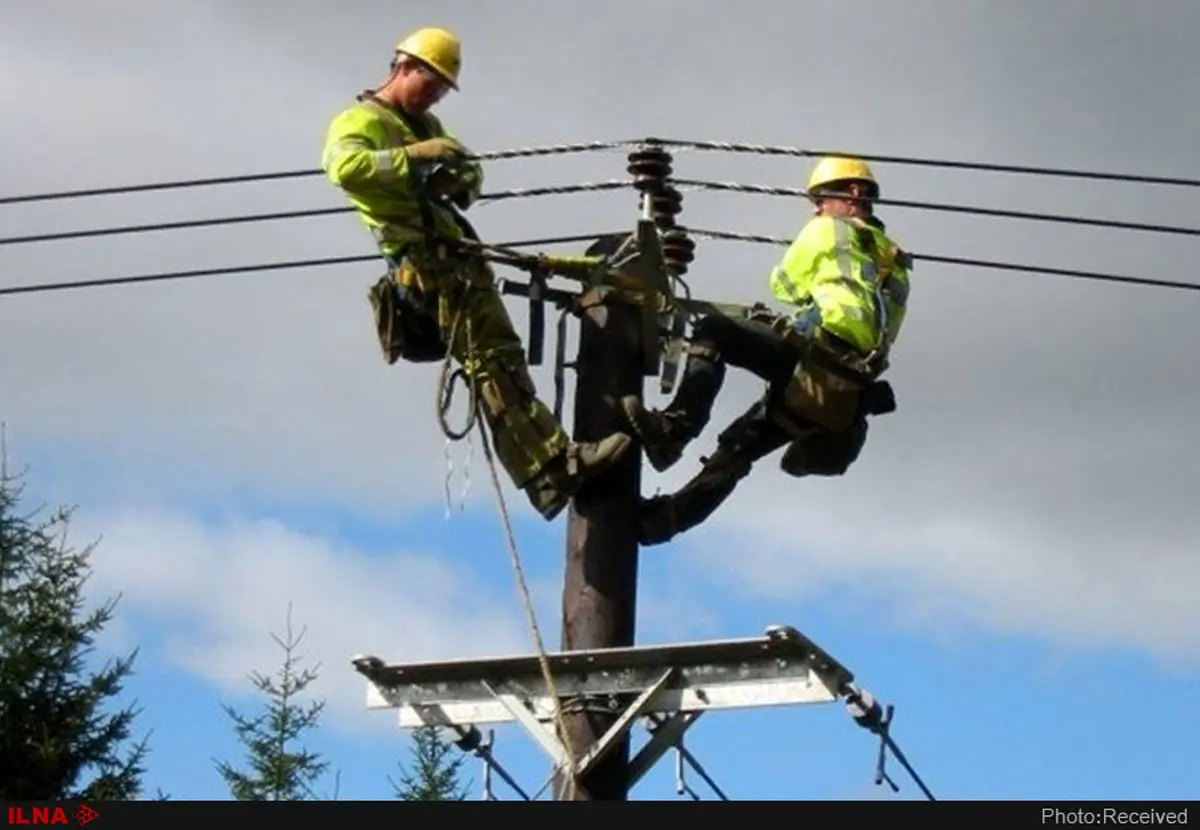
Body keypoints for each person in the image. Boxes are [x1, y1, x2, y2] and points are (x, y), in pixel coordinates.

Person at [321, 27, 632, 521]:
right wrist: (411, 160)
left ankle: (551, 472)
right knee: (494, 364)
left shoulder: (426, 125)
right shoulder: (360, 120)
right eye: (432, 83)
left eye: (444, 88)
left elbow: (468, 166)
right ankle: (552, 466)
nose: (436, 94)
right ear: (403, 68)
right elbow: (345, 169)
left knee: (500, 362)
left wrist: (461, 178)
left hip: (456, 261)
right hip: (424, 266)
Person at [620, 156, 912, 544]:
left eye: (820, 199)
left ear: (850, 194)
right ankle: (664, 522)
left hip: (820, 356)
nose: (816, 208)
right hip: (845, 389)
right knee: (738, 449)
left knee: (714, 331)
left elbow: (785, 286)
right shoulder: (896, 261)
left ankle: (675, 429)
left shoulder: (827, 229)